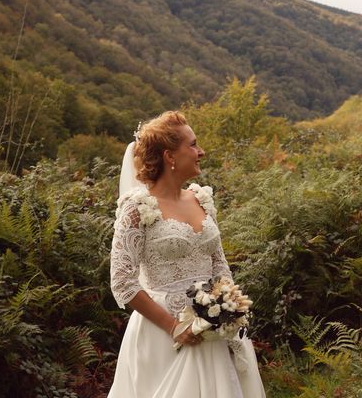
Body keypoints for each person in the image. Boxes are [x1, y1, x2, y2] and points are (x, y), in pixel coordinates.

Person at [108, 111, 266, 398]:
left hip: (214, 330)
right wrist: (175, 327)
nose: (201, 151)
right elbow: (122, 282)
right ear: (170, 156)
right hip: (163, 336)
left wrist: (229, 310)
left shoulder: (201, 199)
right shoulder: (136, 207)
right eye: (192, 145)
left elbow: (220, 266)